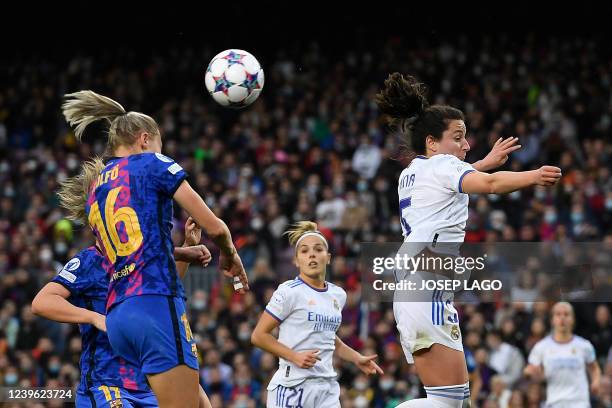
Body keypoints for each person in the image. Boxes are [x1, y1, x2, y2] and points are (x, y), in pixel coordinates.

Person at [375, 73, 562, 407]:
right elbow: (488, 185)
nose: (466, 145)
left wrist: (481, 164)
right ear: (432, 142)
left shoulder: (411, 173)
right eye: (458, 137)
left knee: (454, 399)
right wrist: (532, 176)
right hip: (426, 283)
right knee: (450, 402)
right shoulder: (443, 166)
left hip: (417, 284)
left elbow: (447, 185)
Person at [60, 90, 249, 408]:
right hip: (154, 307)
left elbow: (130, 248)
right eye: (160, 145)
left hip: (119, 316)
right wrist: (231, 256)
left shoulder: (95, 189)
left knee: (201, 403)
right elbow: (216, 227)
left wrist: (184, 251)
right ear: (145, 139)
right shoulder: (152, 163)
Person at [250, 221, 383, 407]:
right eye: (304, 251)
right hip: (292, 387)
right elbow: (258, 336)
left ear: (328, 257)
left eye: (318, 249)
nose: (311, 254)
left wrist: (356, 358)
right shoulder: (289, 291)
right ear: (296, 261)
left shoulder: (338, 295)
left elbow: (329, 338)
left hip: (326, 388)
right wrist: (294, 356)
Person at [524, 302, 602, 408]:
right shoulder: (541, 347)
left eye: (566, 314)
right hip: (555, 402)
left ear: (573, 319)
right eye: (558, 314)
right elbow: (530, 370)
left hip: (579, 402)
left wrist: (596, 381)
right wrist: (530, 373)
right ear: (552, 320)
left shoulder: (584, 345)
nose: (562, 318)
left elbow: (594, 368)